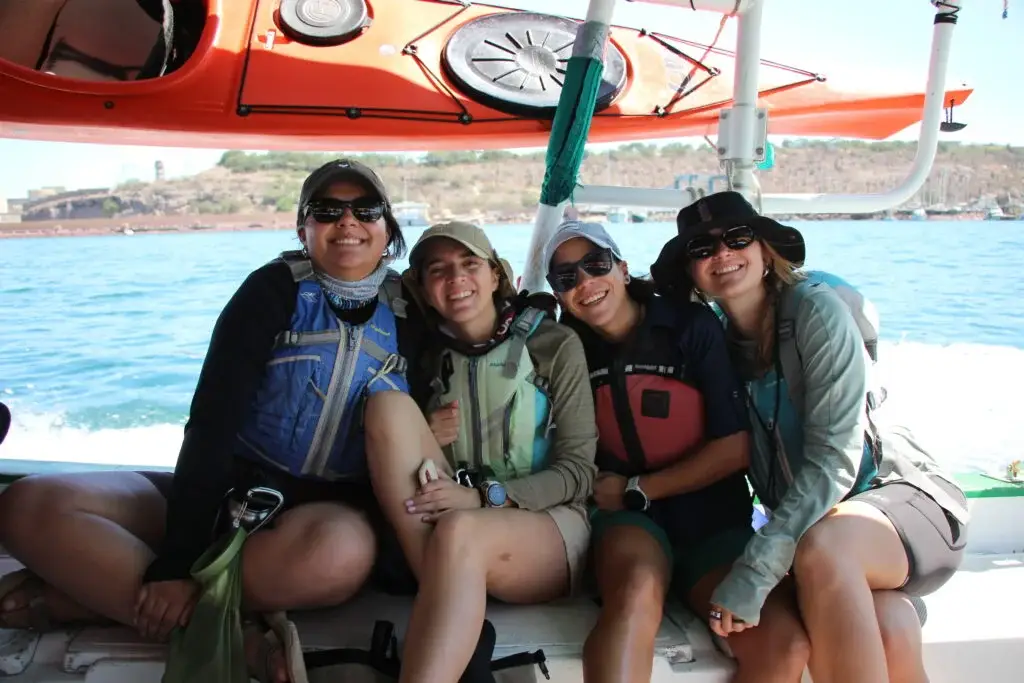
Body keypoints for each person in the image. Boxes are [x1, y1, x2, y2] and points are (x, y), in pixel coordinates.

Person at [0, 159, 420, 683]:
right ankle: (227, 630)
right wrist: (176, 560)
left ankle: (87, 597)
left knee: (340, 557)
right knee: (26, 504)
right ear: (302, 228)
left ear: (388, 227)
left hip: (316, 519)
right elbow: (211, 423)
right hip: (228, 494)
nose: (348, 222)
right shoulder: (271, 290)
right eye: (327, 210)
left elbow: (478, 330)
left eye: (367, 209)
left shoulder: (408, 311)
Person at [650, 191, 969, 683]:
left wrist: (755, 574)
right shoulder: (715, 344)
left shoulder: (814, 310)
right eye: (702, 249)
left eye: (738, 238)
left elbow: (834, 460)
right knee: (890, 628)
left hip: (904, 505)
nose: (722, 254)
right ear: (690, 271)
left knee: (824, 547)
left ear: (764, 250)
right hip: (824, 533)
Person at [543, 220, 810, 683]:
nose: (585, 282)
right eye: (567, 279)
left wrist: (636, 488)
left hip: (708, 518)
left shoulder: (690, 326)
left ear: (622, 268)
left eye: (595, 265)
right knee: (637, 592)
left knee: (784, 644)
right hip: (627, 523)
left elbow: (735, 446)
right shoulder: (563, 347)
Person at [365, 222, 598, 683]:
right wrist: (425, 430)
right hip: (449, 532)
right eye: (438, 270)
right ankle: (456, 612)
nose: (456, 279)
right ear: (423, 289)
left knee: (462, 530)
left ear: (496, 275)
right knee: (388, 407)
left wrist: (486, 497)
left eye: (469, 264)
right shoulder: (425, 361)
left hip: (547, 531)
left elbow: (579, 473)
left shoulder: (553, 345)